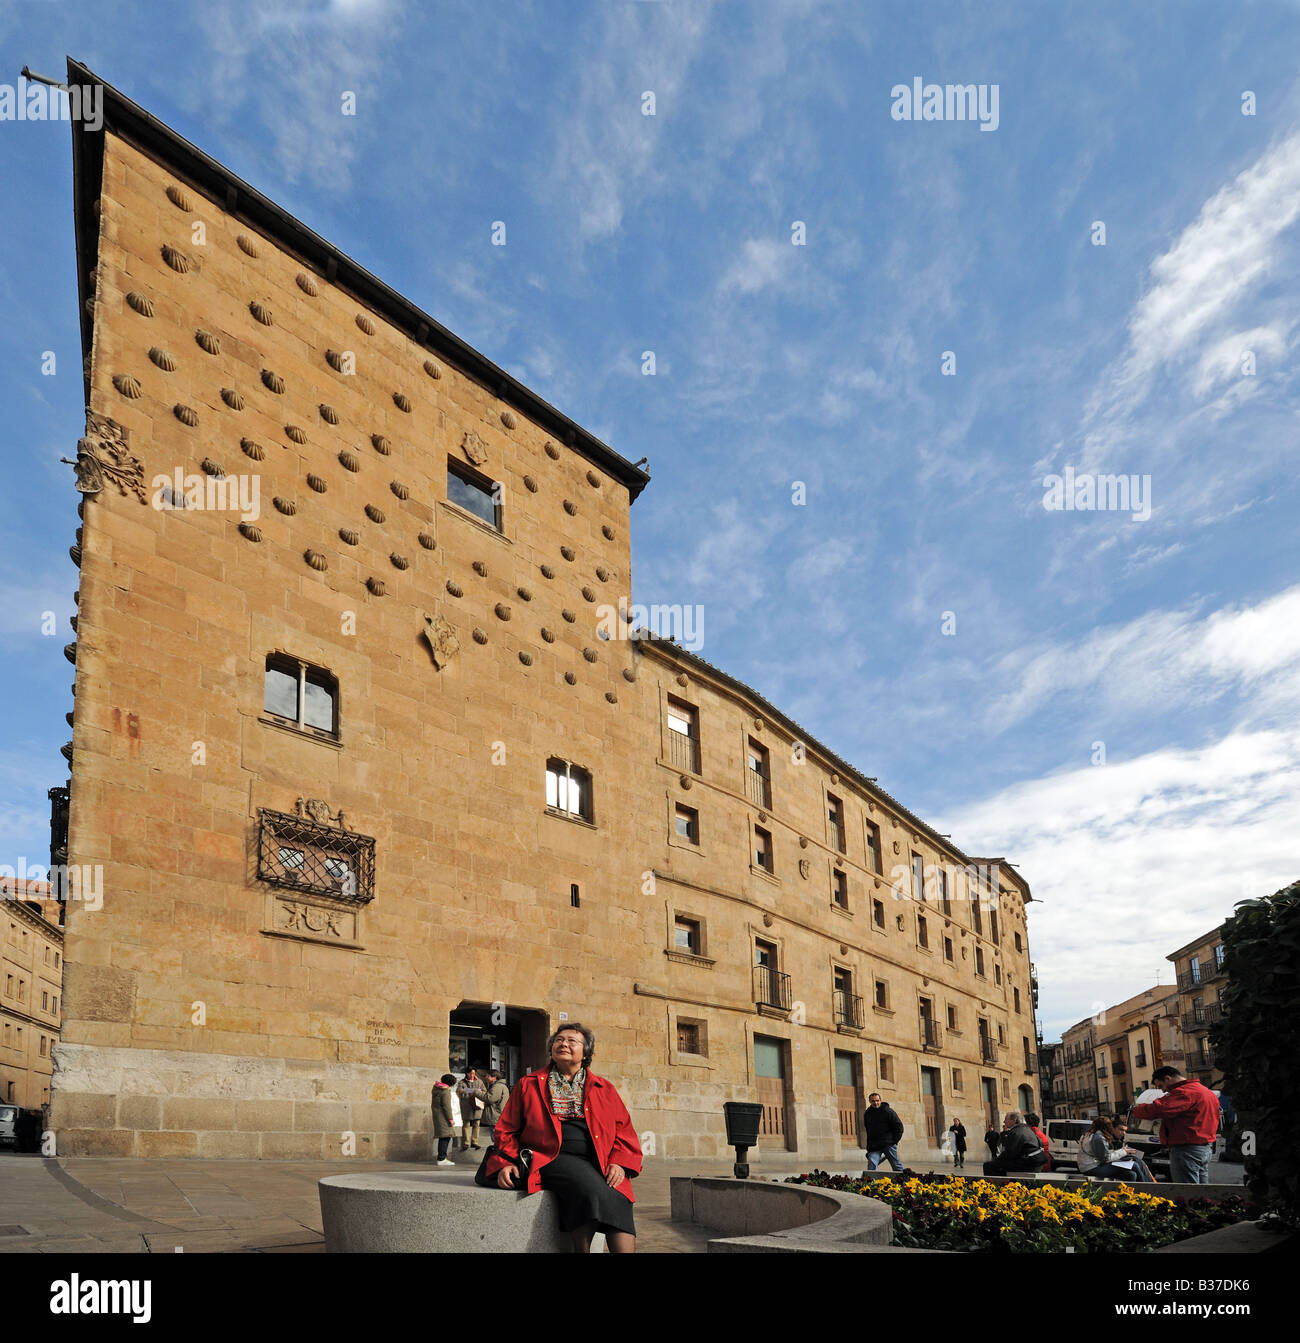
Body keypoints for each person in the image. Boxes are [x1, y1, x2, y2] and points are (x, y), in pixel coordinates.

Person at [485, 1023, 642, 1253]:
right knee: (588, 1187)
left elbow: (624, 1130)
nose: (563, 1044)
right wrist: (506, 1162)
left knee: (620, 1192)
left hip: (598, 1156)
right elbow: (506, 1129)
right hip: (551, 1154)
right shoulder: (529, 1084)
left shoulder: (604, 1088)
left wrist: (619, 1162)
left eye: (572, 1041)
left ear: (586, 1053)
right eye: (559, 1040)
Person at [1131, 1066, 1219, 1184]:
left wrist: (1137, 1110)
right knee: (1201, 1191)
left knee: (1187, 1191)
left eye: (1161, 1086)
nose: (1163, 1091)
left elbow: (1159, 1108)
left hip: (1186, 1148)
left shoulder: (1184, 1092)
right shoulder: (1206, 1092)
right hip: (1204, 1147)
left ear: (1167, 1078)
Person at [981, 1111, 1047, 1175]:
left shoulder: (1015, 1132)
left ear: (1014, 1120)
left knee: (988, 1166)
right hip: (1036, 1163)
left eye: (1006, 1119)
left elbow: (1009, 1153)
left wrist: (995, 1161)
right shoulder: (1027, 1129)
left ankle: (1001, 1184)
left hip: (1029, 1165)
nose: (1004, 1122)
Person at [1076, 1116, 1140, 1182]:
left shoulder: (1089, 1135)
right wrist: (1124, 1152)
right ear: (1105, 1127)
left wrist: (1122, 1151)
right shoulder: (1098, 1138)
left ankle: (1133, 1191)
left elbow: (1102, 1153)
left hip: (1090, 1166)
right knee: (1134, 1165)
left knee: (1131, 1175)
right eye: (1110, 1126)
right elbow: (1105, 1158)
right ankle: (1149, 1186)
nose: (1111, 1129)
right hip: (1092, 1168)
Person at [862, 1093, 905, 1171]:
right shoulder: (867, 1113)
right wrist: (869, 1147)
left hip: (888, 1144)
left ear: (880, 1100)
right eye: (873, 1101)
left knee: (896, 1165)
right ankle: (871, 1182)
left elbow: (899, 1127)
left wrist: (894, 1141)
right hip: (874, 1145)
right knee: (871, 1165)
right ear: (869, 1101)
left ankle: (905, 1181)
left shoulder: (888, 1111)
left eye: (877, 1101)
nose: (875, 1103)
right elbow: (868, 1130)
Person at [456, 1068, 487, 1150]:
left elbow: (484, 1091)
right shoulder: (462, 1082)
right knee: (466, 1124)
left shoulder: (479, 1081)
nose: (472, 1075)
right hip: (466, 1105)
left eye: (474, 1073)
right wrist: (470, 1091)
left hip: (477, 1104)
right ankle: (466, 1142)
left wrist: (475, 1091)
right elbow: (459, 1090)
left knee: (476, 1123)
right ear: (467, 1073)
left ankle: (474, 1142)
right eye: (470, 1073)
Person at [431, 1073, 456, 1166]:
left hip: (438, 1116)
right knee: (445, 1137)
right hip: (444, 1117)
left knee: (443, 1136)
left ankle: (442, 1157)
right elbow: (446, 1106)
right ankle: (441, 1158)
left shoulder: (437, 1089)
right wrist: (450, 1119)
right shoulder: (445, 1091)